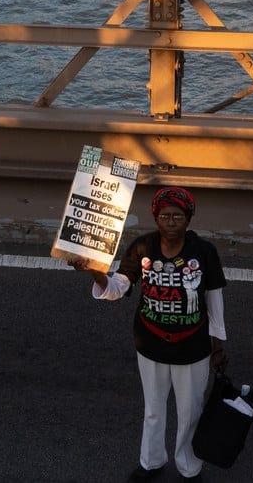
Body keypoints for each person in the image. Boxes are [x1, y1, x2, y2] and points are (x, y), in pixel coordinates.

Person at [69, 186, 228, 482]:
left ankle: (189, 468)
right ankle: (151, 461)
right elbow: (118, 288)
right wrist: (94, 270)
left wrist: (218, 345)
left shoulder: (205, 252)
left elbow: (214, 300)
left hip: (193, 348)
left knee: (190, 413)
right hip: (150, 343)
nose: (170, 222)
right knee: (153, 409)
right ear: (156, 219)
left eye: (177, 216)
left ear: (188, 220)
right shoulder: (142, 247)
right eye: (164, 216)